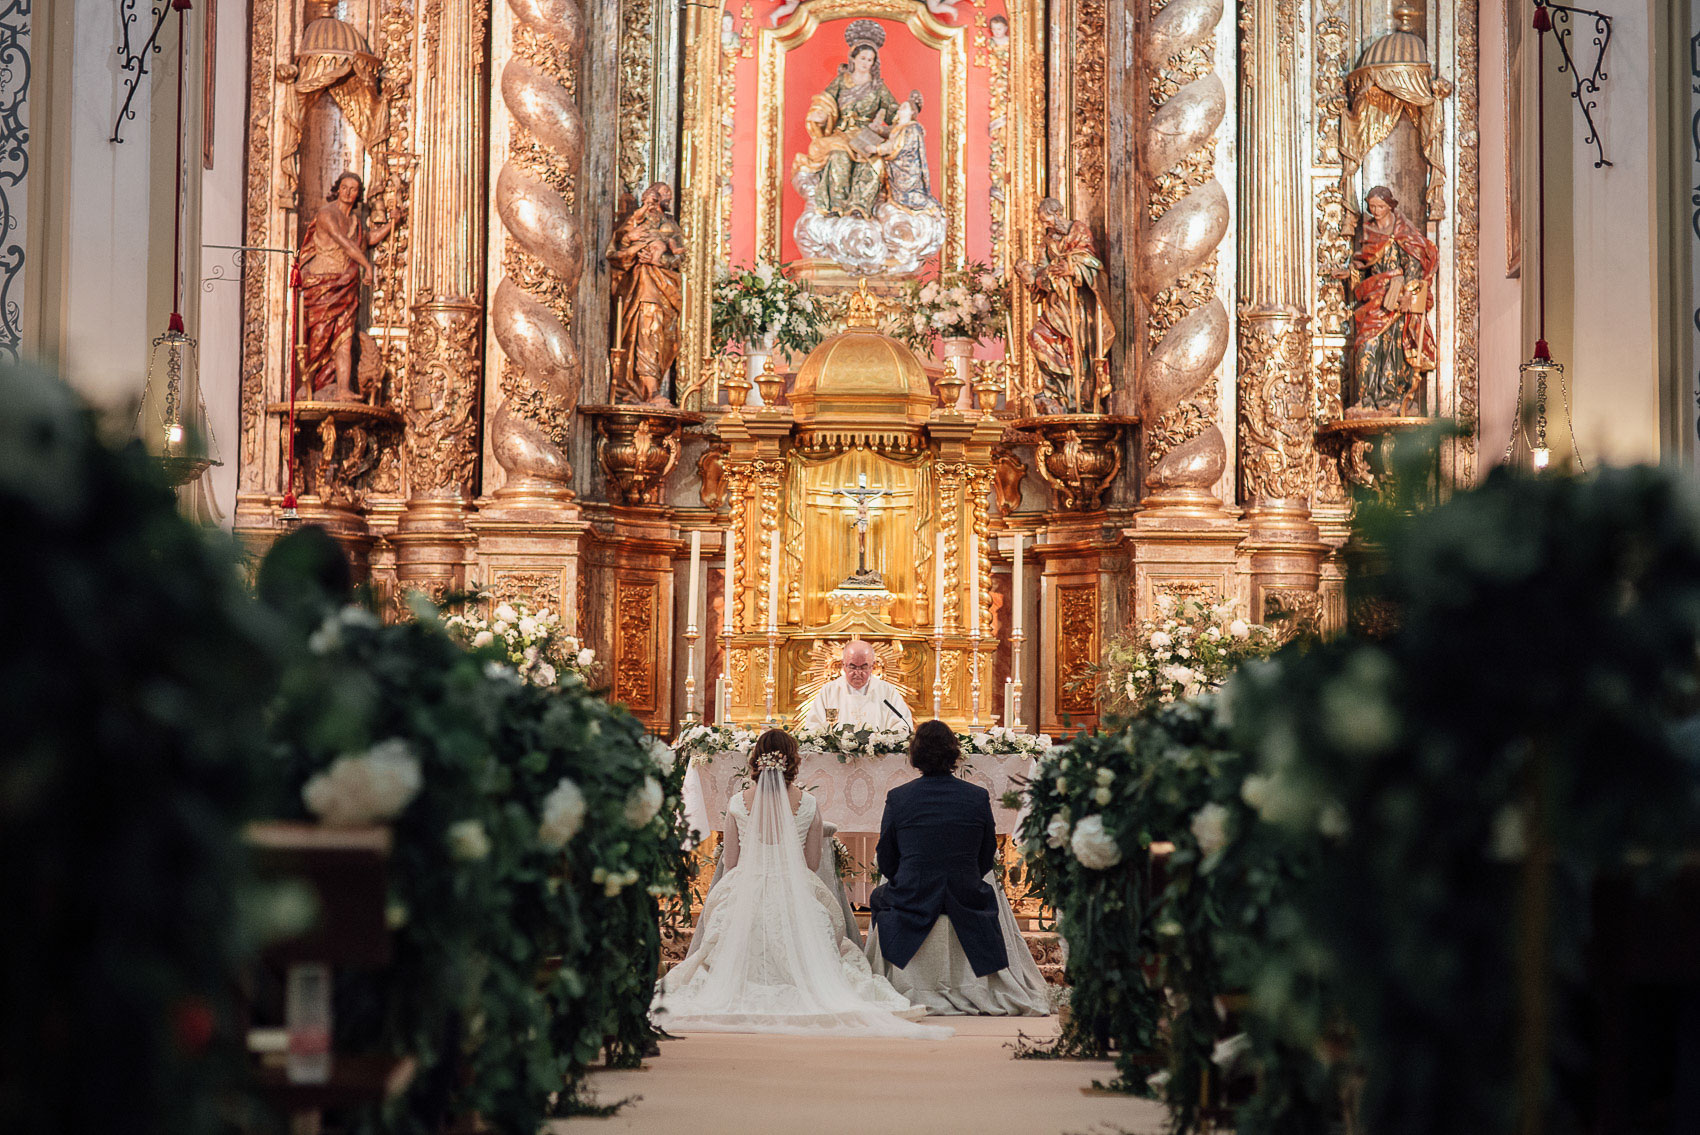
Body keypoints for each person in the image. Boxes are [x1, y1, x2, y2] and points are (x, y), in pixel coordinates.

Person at [653, 730, 947, 1037]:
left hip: (744, 890)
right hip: (796, 890)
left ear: (756, 760)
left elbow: (732, 862)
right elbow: (810, 863)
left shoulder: (738, 803)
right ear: (793, 762)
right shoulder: (808, 803)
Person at [865, 721, 1050, 1015]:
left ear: (916, 755)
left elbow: (887, 857)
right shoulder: (976, 796)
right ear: (954, 753)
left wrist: (908, 878)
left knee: (879, 898)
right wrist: (962, 876)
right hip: (965, 894)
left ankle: (895, 979)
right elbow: (986, 853)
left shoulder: (899, 797)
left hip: (913, 896)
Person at [297, 172, 402, 400]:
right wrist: (367, 265)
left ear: (358, 194)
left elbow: (367, 240)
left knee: (344, 338)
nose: (347, 192)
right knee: (319, 337)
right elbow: (344, 243)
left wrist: (392, 224)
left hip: (346, 286)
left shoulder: (355, 221)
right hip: (322, 285)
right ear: (338, 189)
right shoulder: (327, 214)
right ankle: (307, 387)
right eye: (344, 187)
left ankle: (343, 389)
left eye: (353, 189)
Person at [1015, 197, 1114, 414]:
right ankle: (1056, 392)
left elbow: (1094, 264)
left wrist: (1072, 269)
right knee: (1037, 336)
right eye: (1043, 222)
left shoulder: (1079, 231)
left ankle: (1079, 399)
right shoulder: (1047, 242)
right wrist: (1034, 279)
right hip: (1056, 304)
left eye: (1047, 219)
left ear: (1057, 212)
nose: (1046, 225)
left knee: (1076, 349)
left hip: (1077, 305)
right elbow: (1041, 270)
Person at [1345, 185, 1438, 415]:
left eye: (1380, 206)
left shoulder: (1403, 232)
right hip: (1374, 300)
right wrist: (1350, 272)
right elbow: (1363, 264)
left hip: (1396, 301)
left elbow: (1415, 263)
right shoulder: (1369, 231)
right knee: (1367, 345)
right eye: (1372, 206)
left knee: (1394, 350)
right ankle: (1365, 400)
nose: (1375, 211)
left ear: (1390, 206)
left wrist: (1406, 292)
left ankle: (1393, 398)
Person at [606, 182, 685, 406]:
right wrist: (632, 243)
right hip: (642, 286)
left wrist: (659, 259)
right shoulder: (637, 220)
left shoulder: (669, 224)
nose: (665, 198)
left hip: (663, 286)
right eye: (661, 194)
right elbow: (618, 248)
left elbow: (680, 256)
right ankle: (650, 392)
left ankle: (651, 388)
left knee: (660, 335)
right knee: (646, 330)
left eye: (667, 194)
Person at [802, 640, 912, 732]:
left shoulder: (887, 692)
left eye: (864, 667)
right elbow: (813, 726)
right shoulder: (829, 692)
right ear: (843, 665)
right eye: (852, 667)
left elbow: (902, 726)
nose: (858, 673)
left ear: (872, 666)